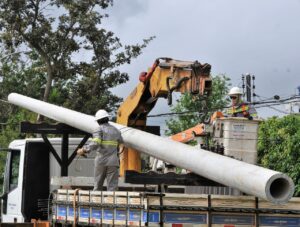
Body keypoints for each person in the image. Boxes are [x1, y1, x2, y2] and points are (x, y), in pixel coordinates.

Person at [77, 109, 123, 191]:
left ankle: (96, 203)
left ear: (98, 120)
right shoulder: (116, 131)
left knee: (98, 185)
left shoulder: (98, 129)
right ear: (107, 118)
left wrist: (84, 150)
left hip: (101, 161)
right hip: (113, 162)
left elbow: (96, 142)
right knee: (112, 187)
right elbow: (121, 144)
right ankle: (111, 203)